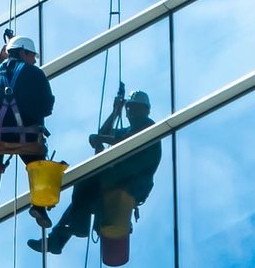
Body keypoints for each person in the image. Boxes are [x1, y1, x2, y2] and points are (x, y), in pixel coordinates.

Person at [30, 89, 162, 254]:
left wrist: (101, 140)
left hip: (133, 183)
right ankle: (57, 240)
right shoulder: (128, 129)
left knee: (86, 179)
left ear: (145, 110)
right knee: (83, 195)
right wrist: (115, 112)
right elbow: (104, 133)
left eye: (134, 108)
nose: (130, 112)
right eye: (129, 108)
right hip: (120, 180)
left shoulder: (148, 126)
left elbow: (123, 141)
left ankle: (77, 228)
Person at [0, 36, 56, 229]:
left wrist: (0, 56)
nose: (34, 60)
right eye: (32, 55)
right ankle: (40, 207)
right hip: (27, 137)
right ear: (23, 52)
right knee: (38, 165)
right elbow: (47, 107)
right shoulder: (36, 74)